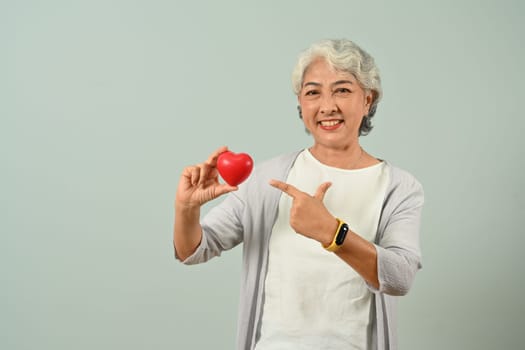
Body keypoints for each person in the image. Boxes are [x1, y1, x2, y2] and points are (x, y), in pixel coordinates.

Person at [173, 38, 424, 350]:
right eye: (313, 92)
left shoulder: (399, 187)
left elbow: (400, 277)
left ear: (368, 100)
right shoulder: (267, 178)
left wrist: (332, 233)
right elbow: (193, 250)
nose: (327, 106)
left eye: (342, 90)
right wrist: (186, 209)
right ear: (301, 104)